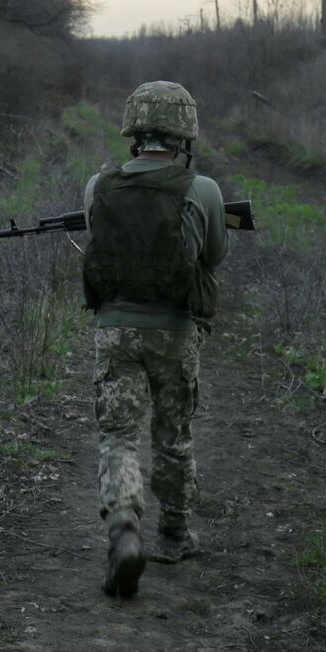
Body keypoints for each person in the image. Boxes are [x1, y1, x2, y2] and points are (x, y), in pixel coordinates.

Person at [82, 81, 228, 599]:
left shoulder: (98, 185)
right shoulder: (203, 189)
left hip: (115, 330)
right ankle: (173, 534)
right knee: (173, 433)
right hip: (174, 330)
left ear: (134, 132)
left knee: (119, 434)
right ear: (183, 134)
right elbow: (213, 258)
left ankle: (124, 527)